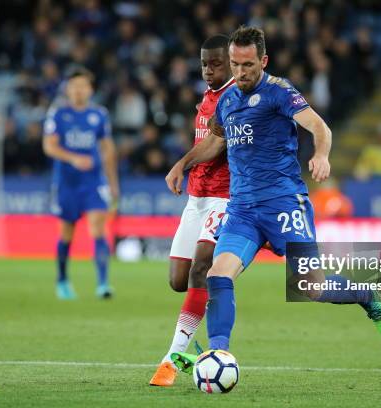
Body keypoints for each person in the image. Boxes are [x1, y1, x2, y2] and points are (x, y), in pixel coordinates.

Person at [165, 27, 381, 373]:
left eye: (247, 65)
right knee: (218, 273)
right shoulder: (227, 102)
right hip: (243, 210)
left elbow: (320, 128)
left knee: (310, 287)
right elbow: (214, 143)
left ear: (263, 61)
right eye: (234, 64)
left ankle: (366, 296)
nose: (240, 73)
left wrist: (321, 155)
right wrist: (183, 163)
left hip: (284, 205)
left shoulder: (279, 92)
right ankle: (219, 352)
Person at [149, 34, 235, 387]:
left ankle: (171, 359)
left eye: (216, 64)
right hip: (196, 199)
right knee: (177, 281)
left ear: (231, 64)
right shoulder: (206, 99)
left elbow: (214, 148)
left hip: (225, 198)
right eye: (204, 64)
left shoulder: (235, 98)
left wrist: (180, 164)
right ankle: (205, 330)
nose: (209, 70)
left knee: (202, 268)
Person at [42, 66, 119, 300]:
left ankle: (103, 284)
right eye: (74, 86)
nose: (79, 90)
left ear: (90, 89)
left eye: (83, 86)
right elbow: (49, 146)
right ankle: (63, 280)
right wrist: (74, 158)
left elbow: (107, 149)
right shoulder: (58, 114)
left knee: (98, 226)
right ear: (67, 89)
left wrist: (113, 182)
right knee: (67, 233)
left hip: (93, 181)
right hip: (66, 182)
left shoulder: (99, 115)